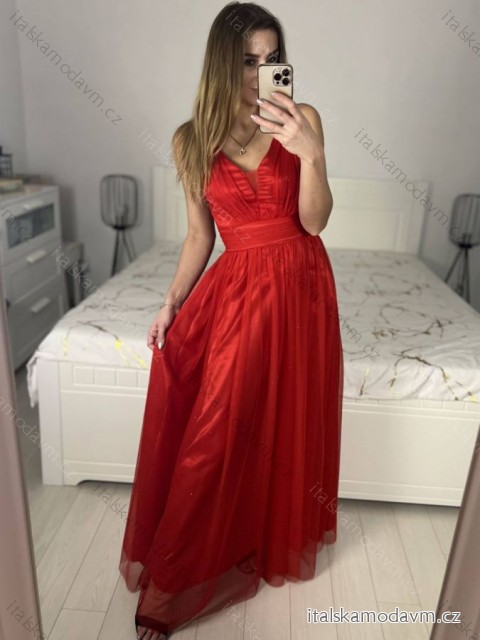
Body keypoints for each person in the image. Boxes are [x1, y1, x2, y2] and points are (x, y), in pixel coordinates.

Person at [119, 2, 344, 638]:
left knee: (286, 417)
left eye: (273, 60)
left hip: (302, 287)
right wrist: (170, 302)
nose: (261, 72)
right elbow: (200, 236)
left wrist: (309, 154)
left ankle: (264, 539)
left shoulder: (304, 120)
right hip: (241, 292)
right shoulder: (190, 140)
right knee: (216, 429)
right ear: (223, 62)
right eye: (249, 61)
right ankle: (177, 577)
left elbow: (315, 222)